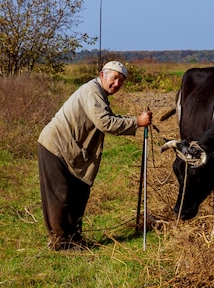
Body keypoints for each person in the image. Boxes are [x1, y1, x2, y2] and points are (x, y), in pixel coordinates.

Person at [37, 60, 152, 250]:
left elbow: (108, 117)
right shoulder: (92, 90)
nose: (117, 84)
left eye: (121, 81)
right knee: (61, 196)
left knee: (78, 192)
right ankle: (61, 243)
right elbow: (105, 122)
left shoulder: (99, 94)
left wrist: (135, 121)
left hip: (70, 150)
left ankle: (74, 238)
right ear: (102, 75)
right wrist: (137, 122)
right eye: (114, 78)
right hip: (55, 146)